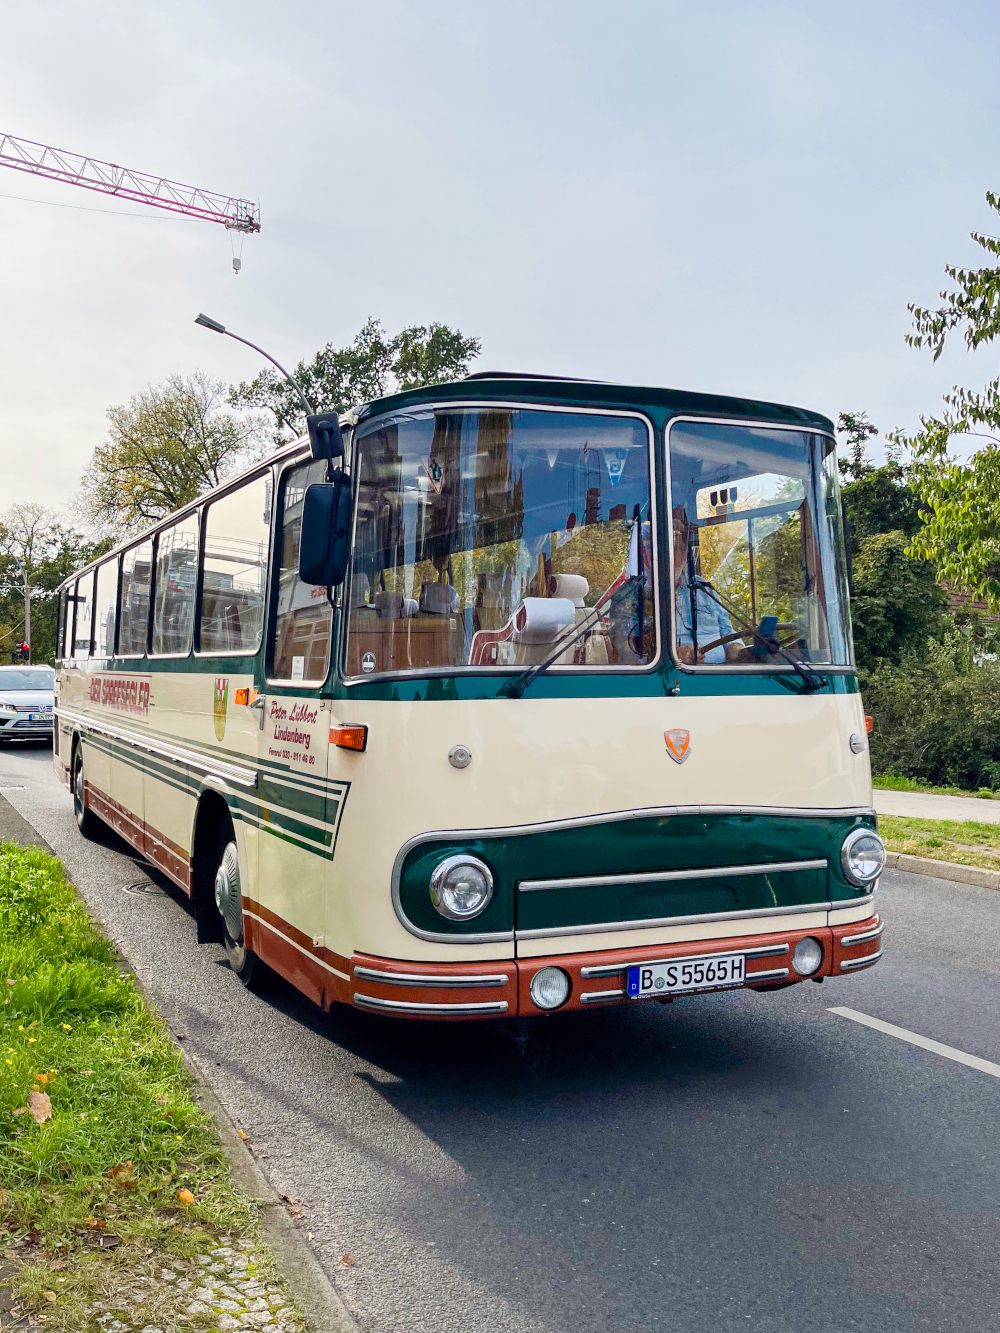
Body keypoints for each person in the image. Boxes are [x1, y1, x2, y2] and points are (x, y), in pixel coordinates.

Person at [672, 506, 749, 664]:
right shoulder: (635, 595)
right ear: (648, 552)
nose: (676, 555)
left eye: (680, 548)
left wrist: (739, 651)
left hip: (719, 676)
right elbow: (629, 650)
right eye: (670, 548)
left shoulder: (702, 587)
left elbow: (727, 632)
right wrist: (674, 655)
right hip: (672, 677)